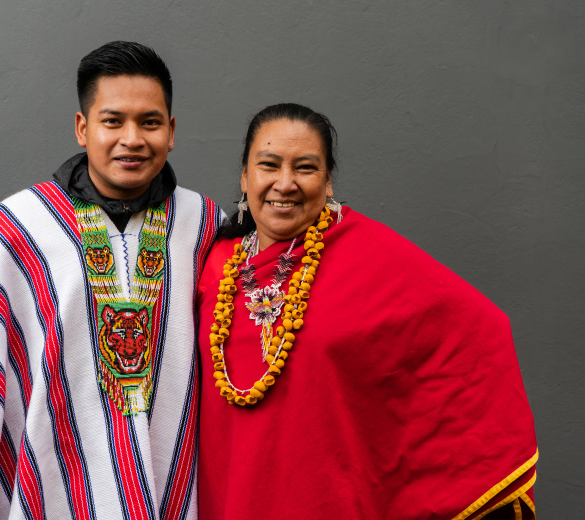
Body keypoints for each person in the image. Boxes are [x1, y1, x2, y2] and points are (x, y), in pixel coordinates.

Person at [0, 41, 221, 520]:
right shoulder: (19, 228)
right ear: (83, 127)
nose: (132, 138)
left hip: (175, 479)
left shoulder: (206, 226)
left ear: (172, 131)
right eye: (113, 120)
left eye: (150, 122)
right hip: (55, 484)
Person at [196, 103, 537, 519]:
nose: (284, 184)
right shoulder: (213, 264)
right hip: (228, 491)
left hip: (328, 497)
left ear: (328, 182)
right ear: (245, 176)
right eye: (269, 165)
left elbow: (480, 331)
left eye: (305, 168)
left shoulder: (371, 254)